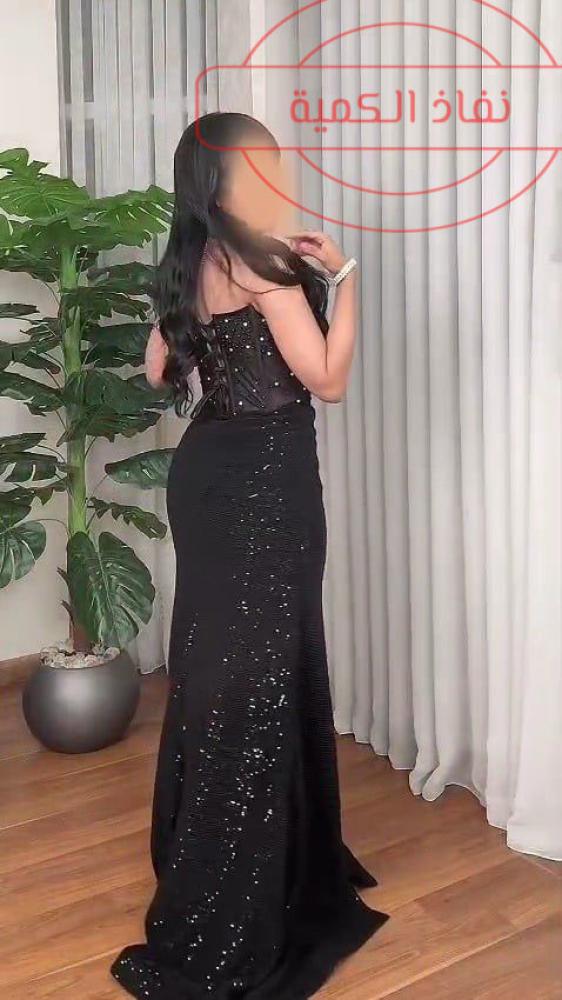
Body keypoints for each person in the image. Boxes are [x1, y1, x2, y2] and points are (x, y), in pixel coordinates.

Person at [111, 111, 388, 1000]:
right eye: (260, 165)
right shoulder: (259, 262)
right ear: (227, 178)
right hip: (269, 482)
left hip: (206, 475)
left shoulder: (190, 261)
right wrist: (347, 279)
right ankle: (241, 887)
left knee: (221, 669)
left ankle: (229, 852)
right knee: (263, 670)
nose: (275, 175)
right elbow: (328, 380)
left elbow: (158, 374)